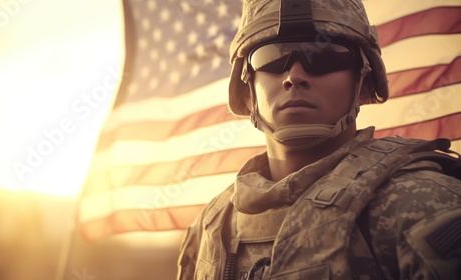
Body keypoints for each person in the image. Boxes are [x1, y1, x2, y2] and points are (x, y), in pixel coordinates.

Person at [177, 0, 461, 279]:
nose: (295, 76)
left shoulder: (423, 203)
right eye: (272, 58)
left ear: (362, 85)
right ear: (248, 92)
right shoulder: (211, 226)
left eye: (325, 56)